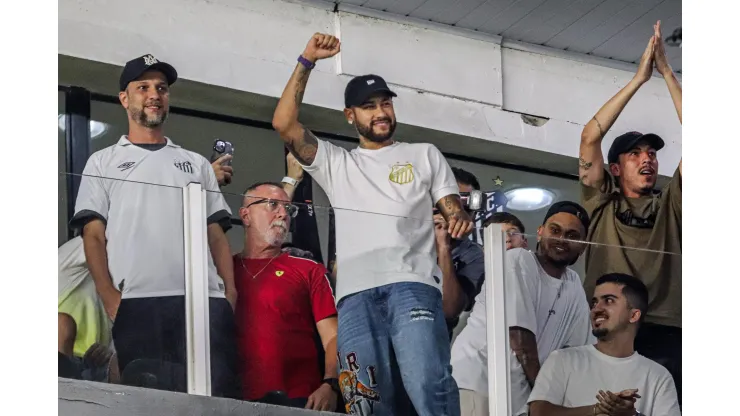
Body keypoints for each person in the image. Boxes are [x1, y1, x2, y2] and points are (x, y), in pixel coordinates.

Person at [271, 33, 474, 415]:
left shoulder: (423, 154)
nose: (380, 112)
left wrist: (457, 215)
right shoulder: (337, 163)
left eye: (385, 104)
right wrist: (307, 60)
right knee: (364, 400)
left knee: (428, 384)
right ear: (351, 116)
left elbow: (451, 206)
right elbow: (284, 123)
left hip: (411, 287)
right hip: (354, 296)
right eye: (368, 107)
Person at [71, 54, 239, 397]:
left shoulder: (195, 164)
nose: (154, 94)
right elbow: (93, 235)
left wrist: (230, 293)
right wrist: (109, 297)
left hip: (203, 299)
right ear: (124, 98)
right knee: (146, 399)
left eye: (161, 88)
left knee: (214, 398)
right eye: (143, 87)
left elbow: (215, 234)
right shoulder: (103, 162)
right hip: (138, 300)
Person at [577, 21, 682, 400]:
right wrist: (640, 78)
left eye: (652, 153)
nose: (647, 160)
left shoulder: (672, 201)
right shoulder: (601, 198)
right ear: (616, 168)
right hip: (612, 324)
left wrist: (668, 73)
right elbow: (590, 136)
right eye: (635, 153)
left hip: (667, 326)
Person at [451, 201, 594, 416]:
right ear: (540, 232)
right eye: (555, 230)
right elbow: (521, 339)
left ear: (583, 246)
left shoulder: (573, 284)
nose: (562, 239)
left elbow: (578, 353)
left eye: (573, 235)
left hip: (516, 397)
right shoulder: (517, 259)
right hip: (479, 382)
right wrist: (545, 398)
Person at [234, 182, 339, 411]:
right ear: (245, 215)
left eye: (288, 209)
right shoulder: (222, 270)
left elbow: (333, 337)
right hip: (233, 399)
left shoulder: (309, 270)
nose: (283, 213)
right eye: (272, 204)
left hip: (300, 400)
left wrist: (330, 384)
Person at [528, 273, 680, 416]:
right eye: (594, 302)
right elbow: (537, 412)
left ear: (633, 315)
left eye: (608, 300)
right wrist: (597, 410)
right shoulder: (562, 360)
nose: (596, 309)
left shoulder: (658, 376)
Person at [58, 236, 116, 382]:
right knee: (62, 324)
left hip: (96, 369)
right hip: (63, 366)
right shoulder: (60, 267)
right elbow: (96, 239)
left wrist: (108, 353)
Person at [436, 167, 485, 340]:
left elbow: (450, 310)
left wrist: (443, 246)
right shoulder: (402, 235)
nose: (457, 217)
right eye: (451, 208)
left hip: (434, 344)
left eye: (466, 210)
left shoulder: (474, 255)